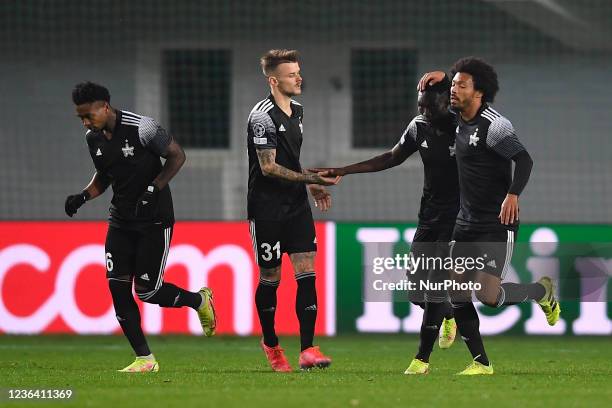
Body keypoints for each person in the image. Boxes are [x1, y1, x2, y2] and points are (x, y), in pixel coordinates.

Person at [418, 57, 561, 375]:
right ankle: (481, 363)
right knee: (457, 292)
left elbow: (524, 160)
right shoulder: (457, 118)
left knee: (489, 296)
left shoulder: (495, 125)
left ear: (479, 91)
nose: (453, 90)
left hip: (497, 223)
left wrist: (513, 194)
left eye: (460, 85)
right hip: (464, 221)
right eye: (453, 85)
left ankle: (541, 292)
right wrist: (443, 77)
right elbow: (434, 105)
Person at [65, 82, 216, 373]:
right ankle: (145, 359)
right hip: (120, 220)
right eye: (81, 118)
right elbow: (105, 175)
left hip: (154, 220)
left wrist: (153, 188)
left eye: (88, 115)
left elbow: (177, 155)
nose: (85, 122)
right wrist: (83, 196)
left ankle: (199, 300)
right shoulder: (92, 138)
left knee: (147, 292)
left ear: (104, 107)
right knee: (118, 289)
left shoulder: (142, 127)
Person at [314, 78, 459, 375]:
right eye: (420, 105)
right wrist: (344, 170)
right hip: (428, 216)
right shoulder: (418, 126)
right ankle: (451, 313)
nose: (424, 110)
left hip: (458, 218)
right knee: (416, 291)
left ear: (446, 100)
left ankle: (421, 360)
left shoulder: (466, 127)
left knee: (434, 285)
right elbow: (391, 157)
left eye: (429, 105)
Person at [247, 49, 340, 372]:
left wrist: (309, 185)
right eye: (291, 74)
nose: (299, 78)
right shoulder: (261, 116)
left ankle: (308, 349)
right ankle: (272, 345)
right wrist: (311, 177)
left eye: (298, 72)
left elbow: (289, 158)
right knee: (271, 277)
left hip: (296, 207)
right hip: (267, 209)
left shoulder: (297, 111)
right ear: (274, 80)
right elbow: (269, 167)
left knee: (307, 275)